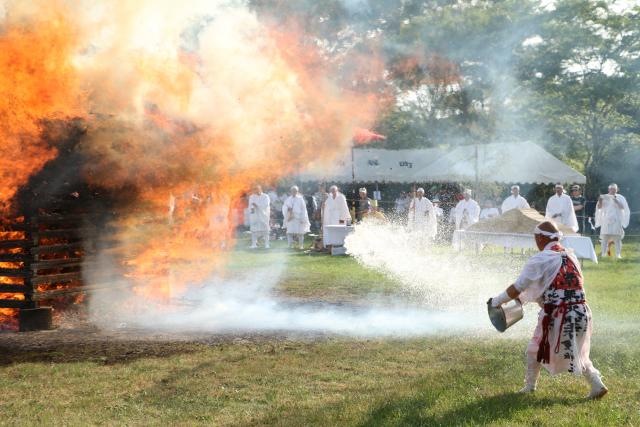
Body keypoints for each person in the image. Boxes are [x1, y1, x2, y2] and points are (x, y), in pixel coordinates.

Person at [490, 221, 608, 399]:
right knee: (580, 352)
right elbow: (554, 286)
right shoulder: (570, 256)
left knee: (534, 349)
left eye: (535, 238)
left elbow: (518, 287)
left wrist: (496, 301)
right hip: (582, 312)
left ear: (540, 237)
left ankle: (530, 387)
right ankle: (596, 383)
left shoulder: (541, 258)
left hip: (558, 315)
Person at [595, 183, 630, 259]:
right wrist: (600, 200)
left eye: (614, 189)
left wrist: (616, 200)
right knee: (604, 238)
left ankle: (618, 254)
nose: (612, 190)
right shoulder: (604, 197)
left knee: (617, 238)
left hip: (617, 220)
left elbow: (623, 208)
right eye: (611, 189)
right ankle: (604, 254)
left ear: (617, 190)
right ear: (609, 189)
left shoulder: (621, 197)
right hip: (606, 220)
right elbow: (599, 207)